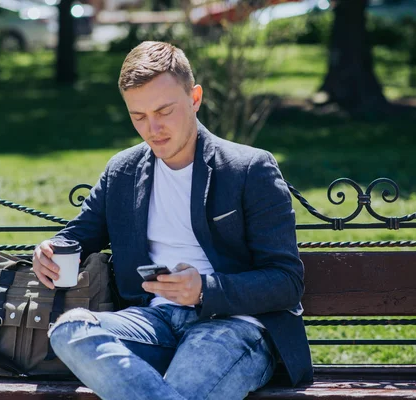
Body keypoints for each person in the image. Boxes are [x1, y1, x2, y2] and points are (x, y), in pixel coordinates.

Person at [32, 41, 313, 400]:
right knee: (69, 330)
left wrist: (204, 290)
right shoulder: (123, 171)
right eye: (139, 116)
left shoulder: (248, 169)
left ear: (194, 98)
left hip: (233, 327)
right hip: (153, 324)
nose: (153, 128)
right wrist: (50, 250)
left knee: (185, 387)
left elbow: (286, 281)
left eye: (164, 111)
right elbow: (79, 235)